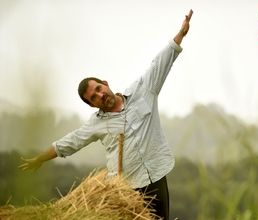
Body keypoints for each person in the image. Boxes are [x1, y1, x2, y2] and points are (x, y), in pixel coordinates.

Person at [19, 9, 193, 219]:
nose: (99, 96)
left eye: (99, 89)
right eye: (93, 97)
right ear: (92, 105)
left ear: (106, 84)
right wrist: (39, 159)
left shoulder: (142, 91)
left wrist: (181, 34)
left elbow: (160, 63)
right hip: (126, 189)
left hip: (156, 176)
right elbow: (70, 142)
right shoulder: (95, 124)